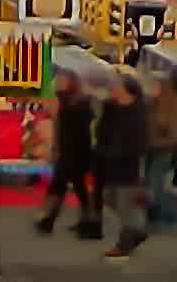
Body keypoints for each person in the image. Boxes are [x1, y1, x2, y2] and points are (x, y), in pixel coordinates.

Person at [35, 73, 100, 240]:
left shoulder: (83, 102)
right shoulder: (62, 99)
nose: (58, 83)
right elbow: (58, 126)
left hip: (78, 148)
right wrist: (56, 147)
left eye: (62, 81)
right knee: (72, 185)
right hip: (68, 148)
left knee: (63, 184)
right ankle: (86, 222)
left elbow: (87, 127)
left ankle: (50, 219)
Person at [95, 74, 151, 259]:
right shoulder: (112, 109)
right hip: (109, 161)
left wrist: (124, 153)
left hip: (128, 163)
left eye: (117, 86)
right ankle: (137, 229)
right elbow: (102, 131)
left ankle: (125, 243)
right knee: (109, 198)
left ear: (129, 91)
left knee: (124, 202)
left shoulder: (138, 113)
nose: (113, 88)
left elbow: (140, 142)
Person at [140, 58, 177, 229]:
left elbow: (171, 129)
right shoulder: (150, 103)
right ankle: (161, 213)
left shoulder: (170, 103)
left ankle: (167, 213)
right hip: (150, 147)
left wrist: (163, 138)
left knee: (154, 182)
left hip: (164, 147)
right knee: (149, 182)